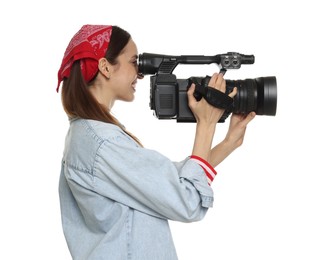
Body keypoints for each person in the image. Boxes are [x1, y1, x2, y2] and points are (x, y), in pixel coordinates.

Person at [57, 24, 256, 260]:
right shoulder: (103, 143)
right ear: (105, 67)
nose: (140, 73)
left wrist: (228, 143)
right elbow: (187, 201)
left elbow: (165, 182)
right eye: (133, 62)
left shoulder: (90, 137)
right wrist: (207, 123)